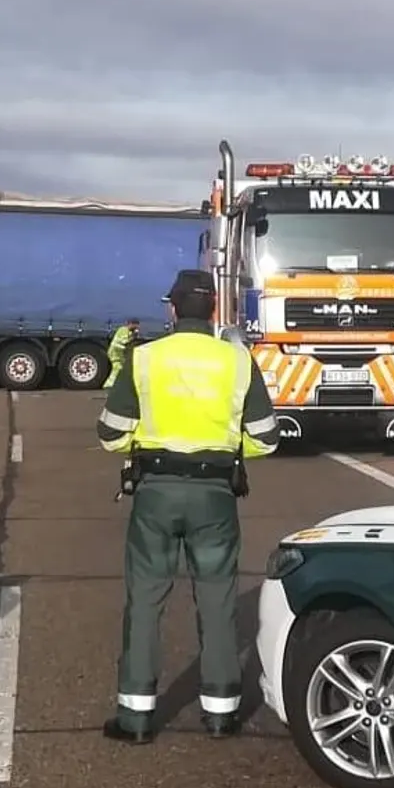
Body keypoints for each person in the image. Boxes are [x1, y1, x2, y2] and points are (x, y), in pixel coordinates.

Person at [95, 270, 280, 745]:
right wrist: (225, 450)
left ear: (173, 310)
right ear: (214, 311)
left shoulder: (144, 359)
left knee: (145, 601)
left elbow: (111, 434)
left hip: (156, 492)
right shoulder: (238, 362)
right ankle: (221, 714)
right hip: (215, 496)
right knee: (218, 601)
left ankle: (135, 718)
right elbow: (266, 439)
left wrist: (148, 445)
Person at [102, 318, 141, 389]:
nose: (137, 327)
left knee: (118, 368)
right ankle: (109, 385)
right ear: (131, 324)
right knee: (117, 368)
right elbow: (124, 341)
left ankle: (112, 384)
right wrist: (133, 336)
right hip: (115, 352)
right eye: (135, 325)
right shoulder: (124, 330)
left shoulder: (128, 331)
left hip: (119, 353)